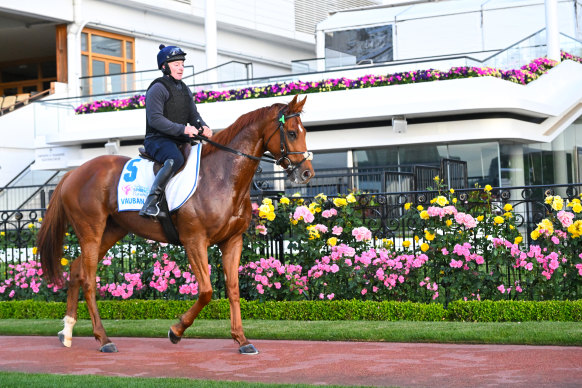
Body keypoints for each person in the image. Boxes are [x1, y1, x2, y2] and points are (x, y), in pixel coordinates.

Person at [140, 44, 213, 217]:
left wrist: (203, 126)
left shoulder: (184, 89)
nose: (181, 68)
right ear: (164, 67)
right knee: (175, 159)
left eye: (182, 64)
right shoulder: (157, 88)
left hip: (179, 139)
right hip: (157, 140)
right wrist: (183, 129)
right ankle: (151, 203)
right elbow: (155, 120)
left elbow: (193, 115)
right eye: (176, 64)